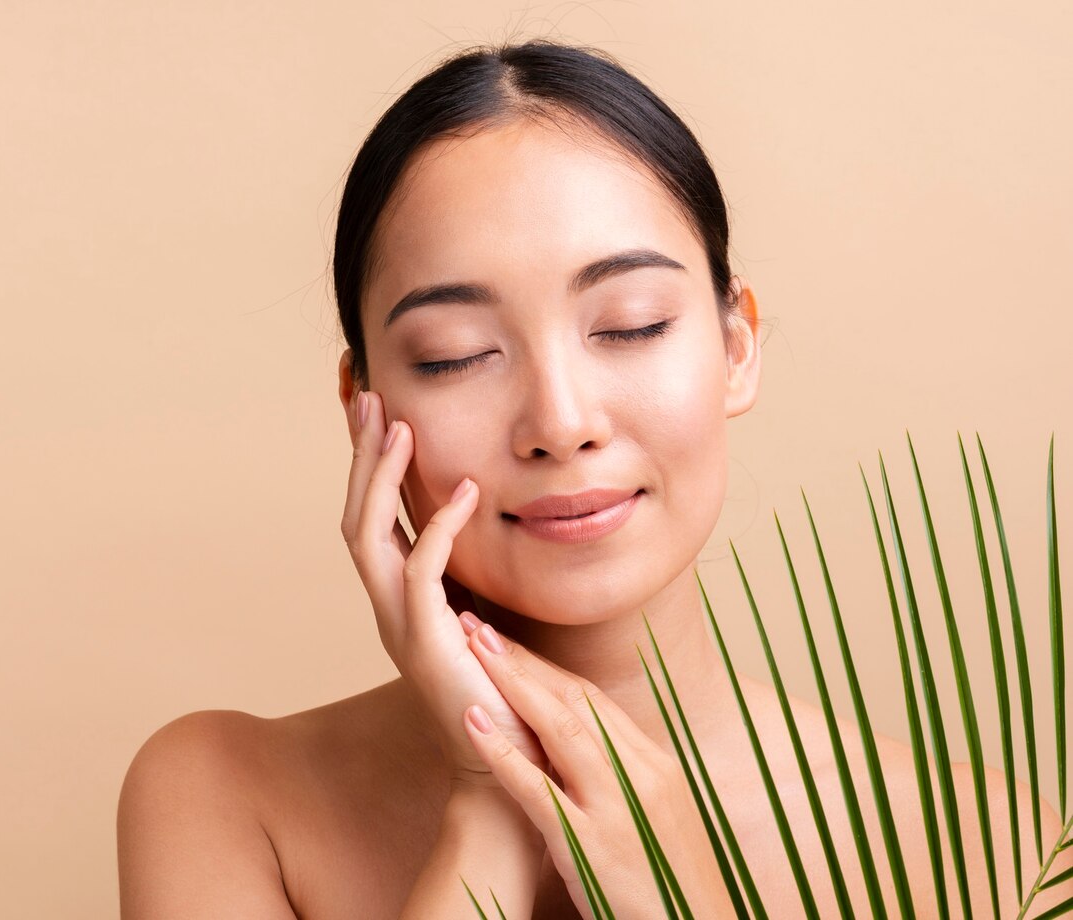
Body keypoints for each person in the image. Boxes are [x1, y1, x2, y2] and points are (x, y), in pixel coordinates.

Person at [117, 38, 1069, 919]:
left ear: (736, 347)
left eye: (632, 326)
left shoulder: (1006, 849)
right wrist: (490, 793)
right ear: (360, 402)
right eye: (455, 355)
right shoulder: (228, 798)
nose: (561, 423)